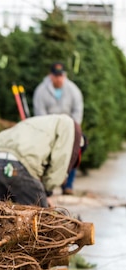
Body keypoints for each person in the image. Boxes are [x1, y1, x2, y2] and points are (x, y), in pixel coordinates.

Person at [0, 114, 84, 208]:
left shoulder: (42, 122)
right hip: (14, 165)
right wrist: (46, 192)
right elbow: (60, 164)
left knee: (2, 217)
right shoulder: (70, 128)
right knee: (41, 217)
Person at [33, 62, 84, 194]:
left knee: (77, 149)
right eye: (56, 76)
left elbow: (77, 111)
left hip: (69, 129)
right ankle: (47, 186)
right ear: (51, 76)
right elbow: (40, 113)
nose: (58, 79)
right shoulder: (41, 91)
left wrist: (73, 130)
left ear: (64, 75)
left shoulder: (73, 90)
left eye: (61, 76)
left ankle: (68, 185)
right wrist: (50, 133)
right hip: (49, 131)